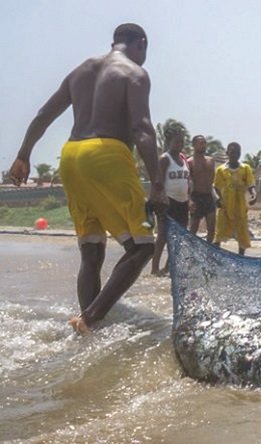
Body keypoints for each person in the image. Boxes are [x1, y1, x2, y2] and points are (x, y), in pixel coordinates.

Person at [8, 24, 167, 334]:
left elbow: (44, 114)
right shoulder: (134, 73)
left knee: (92, 250)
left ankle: (88, 324)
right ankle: (90, 318)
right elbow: (142, 129)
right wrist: (158, 184)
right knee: (143, 247)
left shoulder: (81, 70)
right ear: (141, 44)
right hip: (107, 155)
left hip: (70, 158)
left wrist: (23, 154)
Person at [151, 126, 190, 275]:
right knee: (162, 237)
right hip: (168, 202)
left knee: (178, 238)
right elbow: (159, 182)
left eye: (181, 142)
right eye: (176, 142)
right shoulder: (164, 159)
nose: (179, 144)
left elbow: (188, 180)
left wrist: (190, 200)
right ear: (169, 142)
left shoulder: (184, 159)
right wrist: (160, 200)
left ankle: (167, 267)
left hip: (183, 202)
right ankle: (155, 268)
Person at [213, 142, 256, 255]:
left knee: (242, 236)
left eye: (237, 153)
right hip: (225, 207)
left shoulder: (245, 168)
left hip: (240, 208)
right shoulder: (221, 170)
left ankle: (240, 260)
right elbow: (215, 187)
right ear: (227, 153)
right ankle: (216, 259)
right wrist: (217, 199)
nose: (235, 155)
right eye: (232, 152)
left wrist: (253, 195)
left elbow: (251, 185)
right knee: (219, 236)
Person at [187, 135, 217, 242]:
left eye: (204, 142)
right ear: (194, 145)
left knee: (212, 228)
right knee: (194, 228)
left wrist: (216, 197)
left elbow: (213, 180)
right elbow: (188, 182)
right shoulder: (190, 162)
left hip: (209, 197)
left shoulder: (211, 161)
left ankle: (208, 253)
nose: (203, 145)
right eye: (200, 142)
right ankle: (190, 252)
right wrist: (189, 200)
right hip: (197, 196)